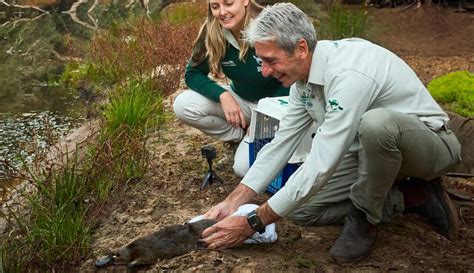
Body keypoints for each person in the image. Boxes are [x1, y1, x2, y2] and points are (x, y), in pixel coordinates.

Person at [200, 3, 462, 264]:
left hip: (429, 147)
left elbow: (321, 163)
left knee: (376, 125)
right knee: (301, 211)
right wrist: (233, 202)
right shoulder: (303, 81)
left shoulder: (347, 74)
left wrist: (253, 223)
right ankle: (411, 196)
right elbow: (281, 144)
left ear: (301, 48)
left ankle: (364, 215)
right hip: (369, 154)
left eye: (271, 60)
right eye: (262, 61)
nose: (266, 71)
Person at [173, 0, 289, 177]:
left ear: (245, 1)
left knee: (243, 169)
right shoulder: (212, 30)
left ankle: (258, 137)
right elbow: (192, 73)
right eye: (215, 6)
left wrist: (264, 117)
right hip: (242, 99)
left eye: (228, 3)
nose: (222, 12)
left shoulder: (270, 24)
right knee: (183, 104)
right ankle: (239, 136)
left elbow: (295, 75)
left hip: (277, 106)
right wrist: (223, 95)